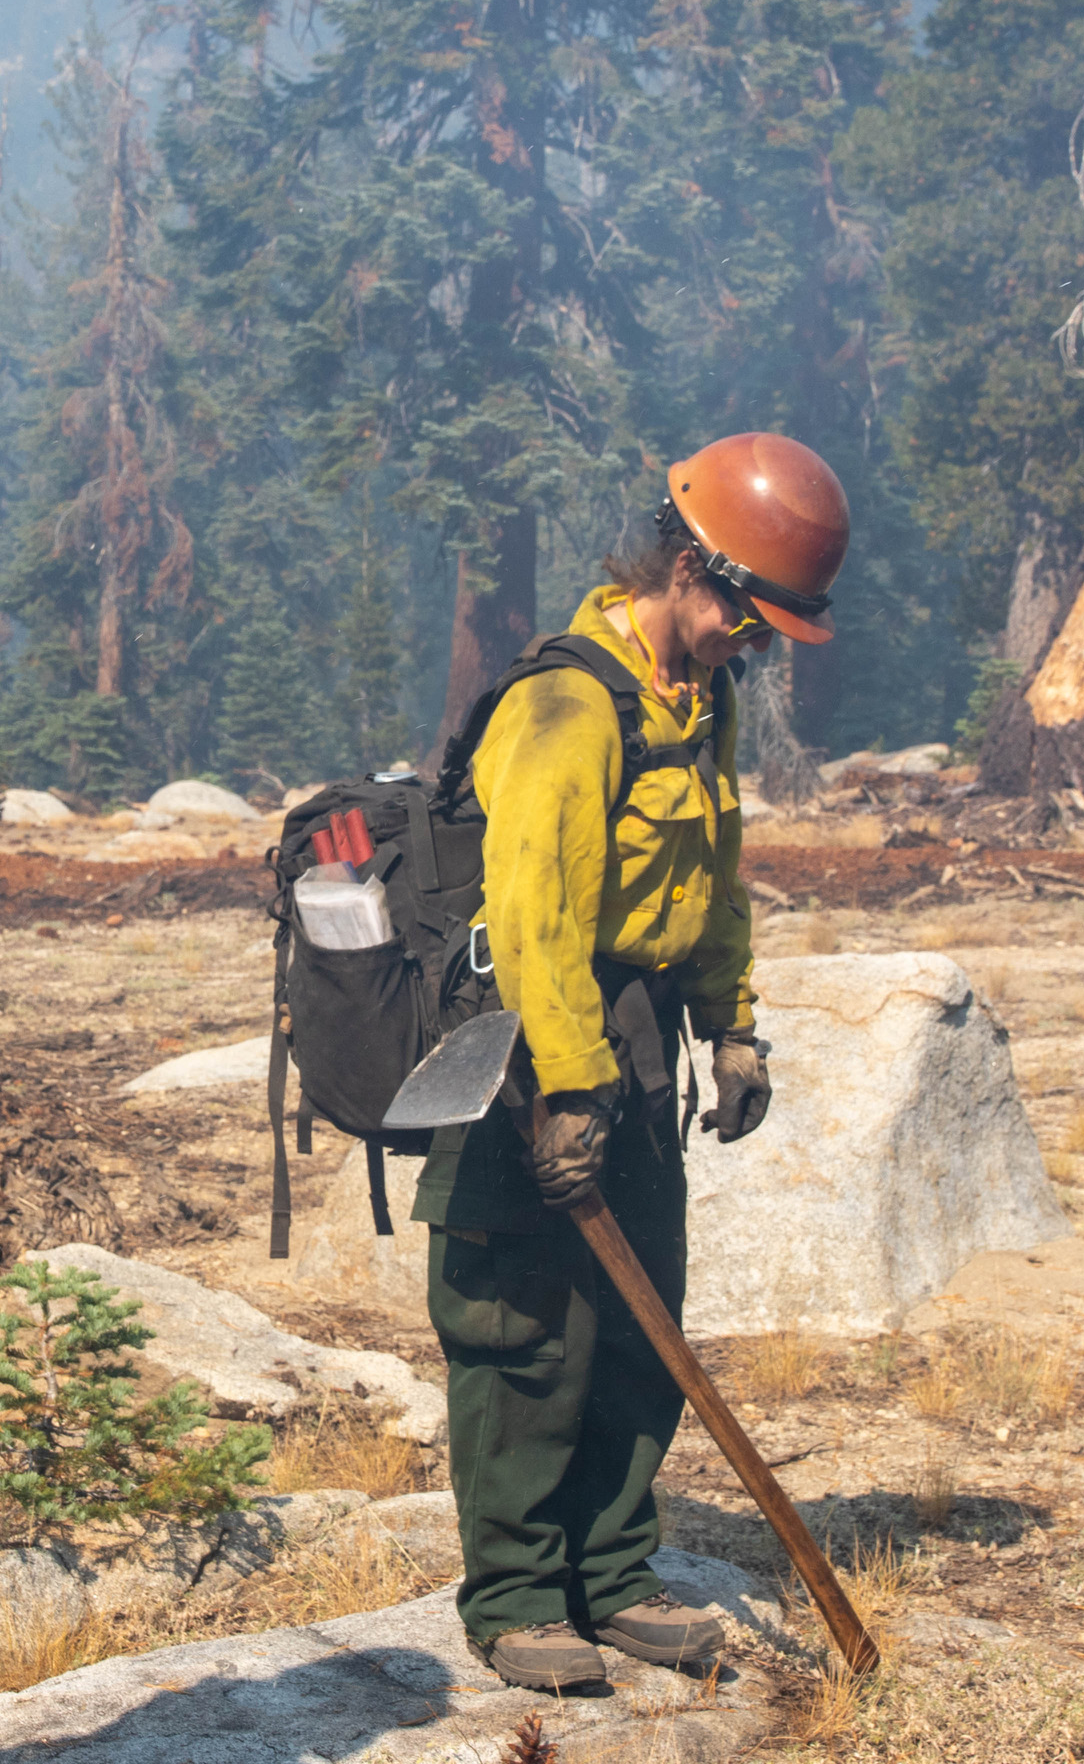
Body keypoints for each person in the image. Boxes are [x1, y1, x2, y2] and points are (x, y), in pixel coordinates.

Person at [413, 432, 849, 1692]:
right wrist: (566, 1088)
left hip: (641, 1042)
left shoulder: (691, 704)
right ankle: (513, 1596)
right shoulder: (566, 704)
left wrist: (735, 1024)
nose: (754, 644)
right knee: (524, 1330)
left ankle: (610, 1573)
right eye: (747, 617)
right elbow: (538, 915)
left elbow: (713, 883)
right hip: (525, 1049)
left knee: (641, 1311)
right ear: (688, 569)